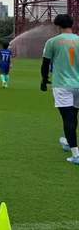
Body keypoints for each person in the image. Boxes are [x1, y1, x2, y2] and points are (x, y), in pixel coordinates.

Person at [41, 14, 79, 165]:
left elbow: (45, 64)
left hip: (62, 85)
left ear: (58, 26)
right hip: (78, 84)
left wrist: (44, 80)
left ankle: (76, 154)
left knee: (67, 119)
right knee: (73, 116)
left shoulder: (53, 41)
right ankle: (67, 141)